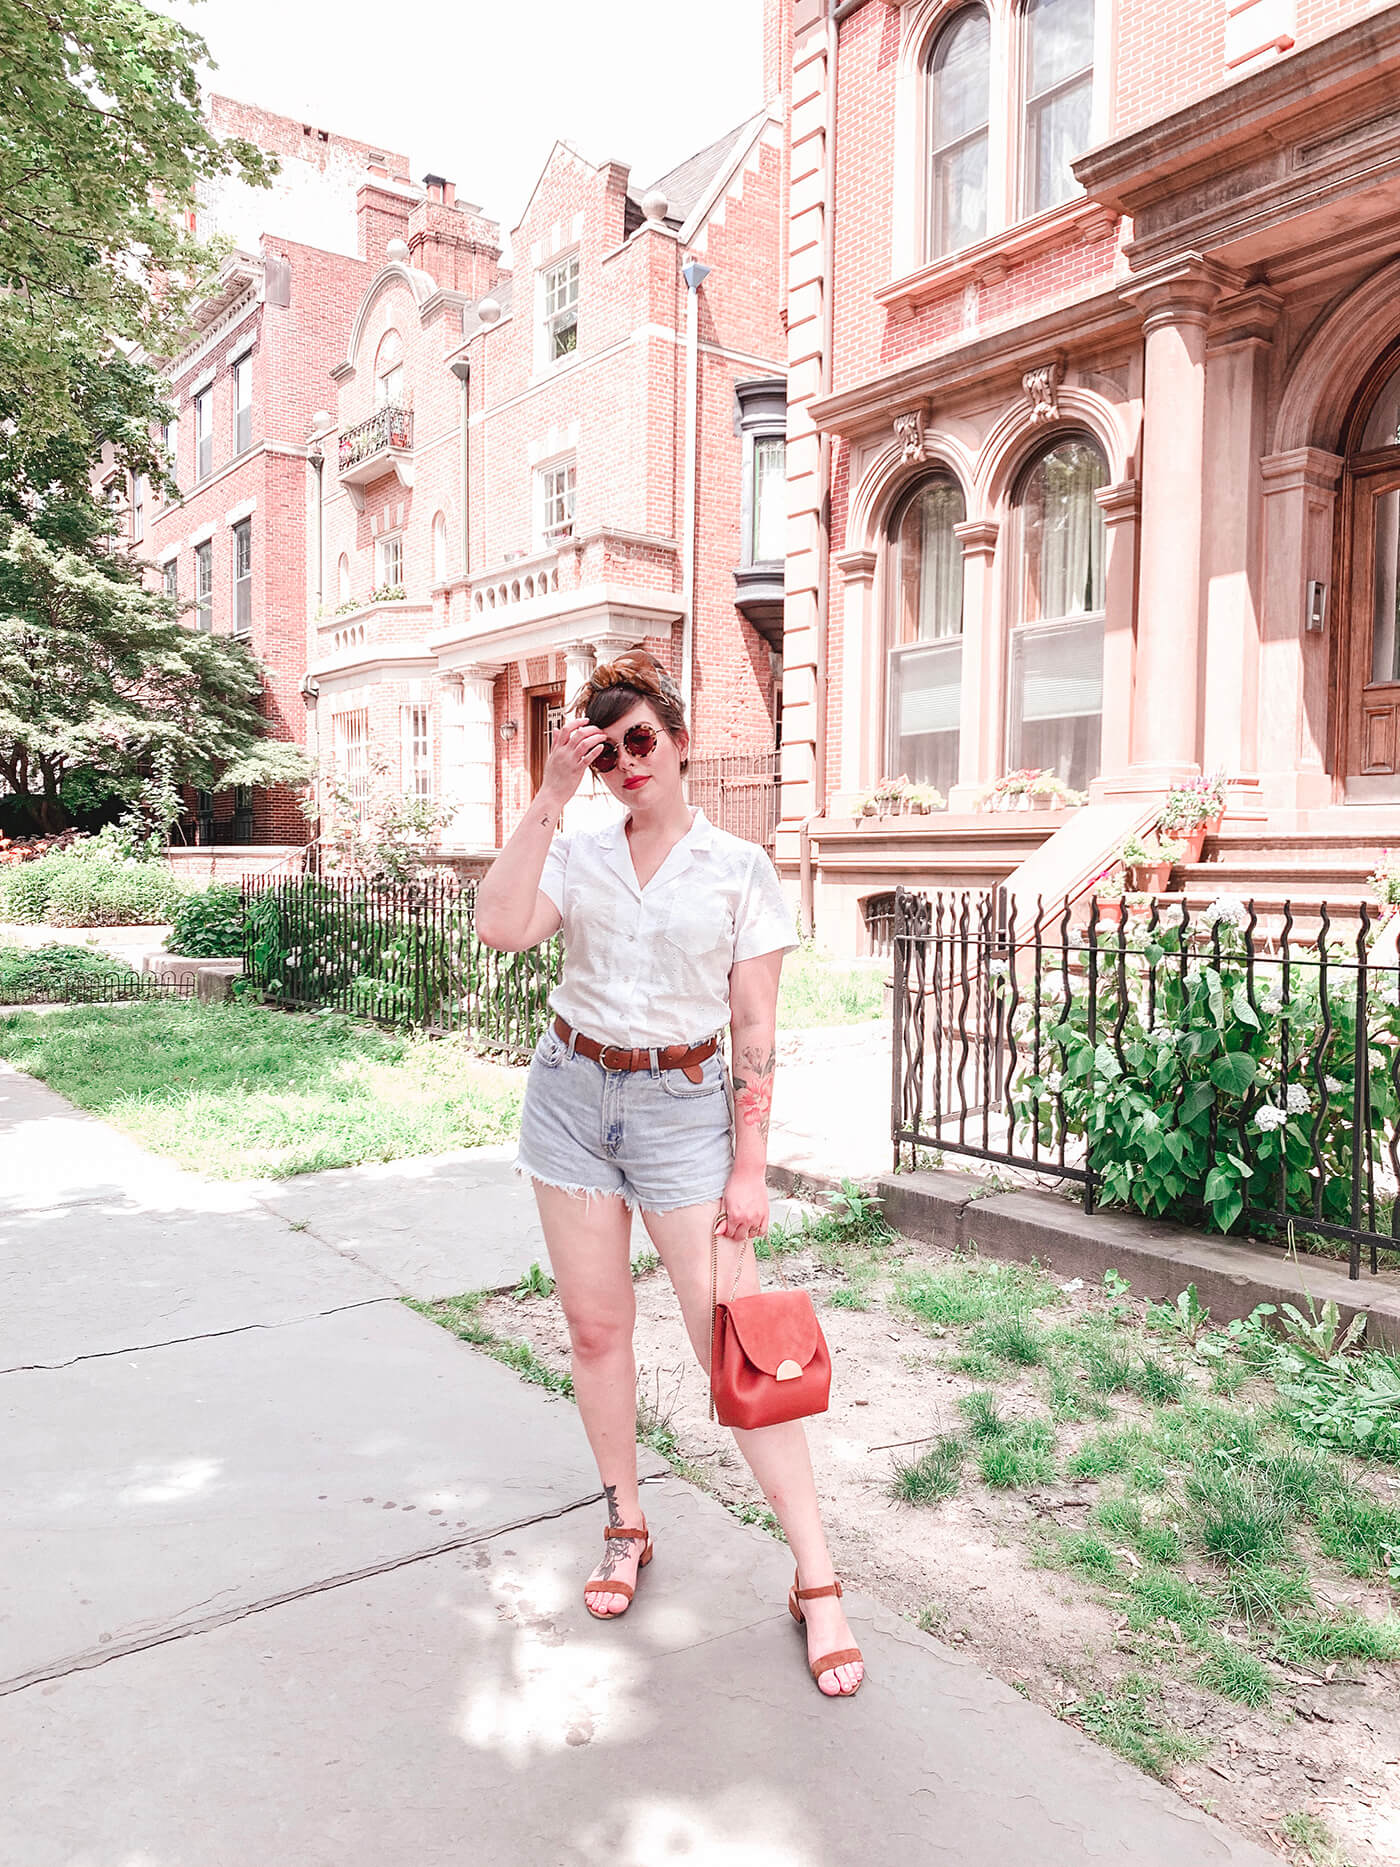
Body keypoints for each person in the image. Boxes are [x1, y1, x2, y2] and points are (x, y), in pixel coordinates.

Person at [475, 651, 864, 1698]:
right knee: (597, 1330)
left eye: (638, 740)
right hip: (570, 1098)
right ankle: (624, 1521)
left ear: (680, 740)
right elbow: (499, 926)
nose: (624, 765)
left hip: (684, 1115)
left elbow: (752, 1026)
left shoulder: (739, 867)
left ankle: (815, 1576)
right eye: (605, 753)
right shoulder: (579, 847)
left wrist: (750, 1164)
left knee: (730, 1346)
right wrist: (551, 794)